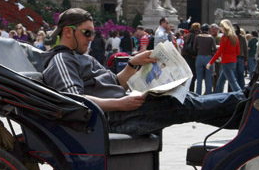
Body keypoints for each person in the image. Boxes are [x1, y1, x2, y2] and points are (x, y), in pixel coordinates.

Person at [42, 9, 245, 136]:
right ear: (68, 32)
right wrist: (120, 103)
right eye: (87, 32)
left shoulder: (83, 57)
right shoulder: (61, 59)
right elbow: (73, 101)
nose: (91, 38)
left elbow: (116, 82)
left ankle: (243, 111)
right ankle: (245, 101)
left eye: (93, 33)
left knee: (184, 99)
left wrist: (132, 64)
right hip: (110, 120)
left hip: (123, 110)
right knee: (181, 104)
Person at [206, 19, 241, 93]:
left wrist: (210, 63)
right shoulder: (235, 37)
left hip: (226, 62)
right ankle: (217, 95)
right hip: (233, 62)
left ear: (224, 27)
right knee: (220, 82)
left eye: (220, 26)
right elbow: (238, 52)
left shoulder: (224, 38)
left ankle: (241, 96)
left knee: (233, 83)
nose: (219, 28)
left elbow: (219, 52)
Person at [194, 24, 217, 95]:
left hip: (199, 57)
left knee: (199, 78)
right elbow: (215, 49)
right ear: (208, 30)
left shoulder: (197, 37)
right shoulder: (211, 38)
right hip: (208, 57)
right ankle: (208, 94)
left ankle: (198, 94)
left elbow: (194, 48)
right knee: (208, 78)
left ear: (201, 30)